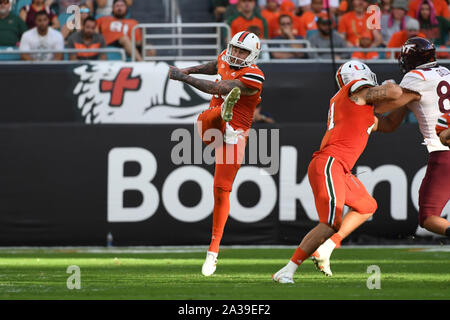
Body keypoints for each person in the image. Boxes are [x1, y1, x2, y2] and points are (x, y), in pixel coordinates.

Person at [312, 37, 450, 277]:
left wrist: (356, 101)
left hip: (444, 152)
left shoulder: (413, 79)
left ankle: (327, 245)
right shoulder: (445, 73)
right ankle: (330, 245)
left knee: (428, 217)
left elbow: (383, 104)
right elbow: (390, 124)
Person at [272, 60, 404, 284]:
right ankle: (287, 270)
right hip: (330, 163)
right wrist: (406, 92)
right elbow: (393, 92)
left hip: (340, 168)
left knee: (367, 206)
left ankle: (327, 247)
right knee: (330, 222)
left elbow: (390, 125)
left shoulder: (359, 107)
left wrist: (407, 104)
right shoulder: (354, 91)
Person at [168, 31, 264, 277]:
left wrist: (182, 78)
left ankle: (213, 252)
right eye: (235, 48)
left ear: (252, 55)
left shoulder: (253, 75)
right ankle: (224, 116)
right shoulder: (225, 57)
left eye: (243, 51)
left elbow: (216, 85)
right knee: (209, 116)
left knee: (221, 189)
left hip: (237, 136)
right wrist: (189, 70)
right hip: (211, 130)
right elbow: (215, 67)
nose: (236, 53)